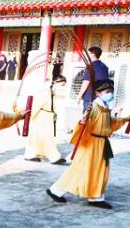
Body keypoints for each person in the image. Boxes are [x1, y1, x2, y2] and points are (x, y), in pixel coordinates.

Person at [47, 79, 128, 208]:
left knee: (99, 170)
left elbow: (110, 123)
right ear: (98, 93)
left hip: (101, 144)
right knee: (81, 170)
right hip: (91, 144)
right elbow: (82, 123)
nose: (110, 94)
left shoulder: (105, 107)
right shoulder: (94, 107)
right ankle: (55, 190)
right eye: (107, 91)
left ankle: (96, 197)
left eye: (111, 91)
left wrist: (124, 119)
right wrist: (83, 120)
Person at [24, 75, 68, 165]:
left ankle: (35, 154)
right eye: (62, 85)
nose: (62, 88)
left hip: (48, 117)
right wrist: (31, 119)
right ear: (55, 83)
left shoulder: (53, 93)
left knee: (46, 137)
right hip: (41, 117)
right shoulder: (45, 92)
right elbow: (36, 105)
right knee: (42, 137)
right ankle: (54, 157)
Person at [76, 46, 110, 111]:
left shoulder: (91, 66)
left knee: (87, 118)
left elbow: (86, 82)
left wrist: (79, 96)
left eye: (89, 53)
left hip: (90, 97)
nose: (87, 55)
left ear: (93, 54)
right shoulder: (105, 67)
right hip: (101, 98)